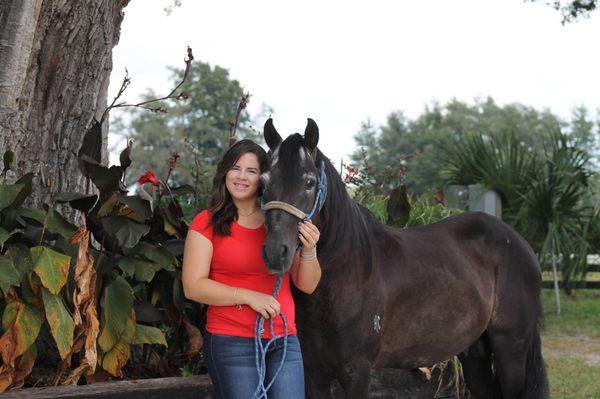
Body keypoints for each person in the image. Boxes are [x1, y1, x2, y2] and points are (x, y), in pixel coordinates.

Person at [182, 139, 322, 398]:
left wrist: (310, 250)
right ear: (225, 172)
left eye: (252, 171)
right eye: (236, 168)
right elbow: (193, 286)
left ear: (263, 179)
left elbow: (307, 285)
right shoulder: (207, 223)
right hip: (232, 342)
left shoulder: (280, 221)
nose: (242, 177)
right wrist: (249, 297)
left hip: (284, 341)